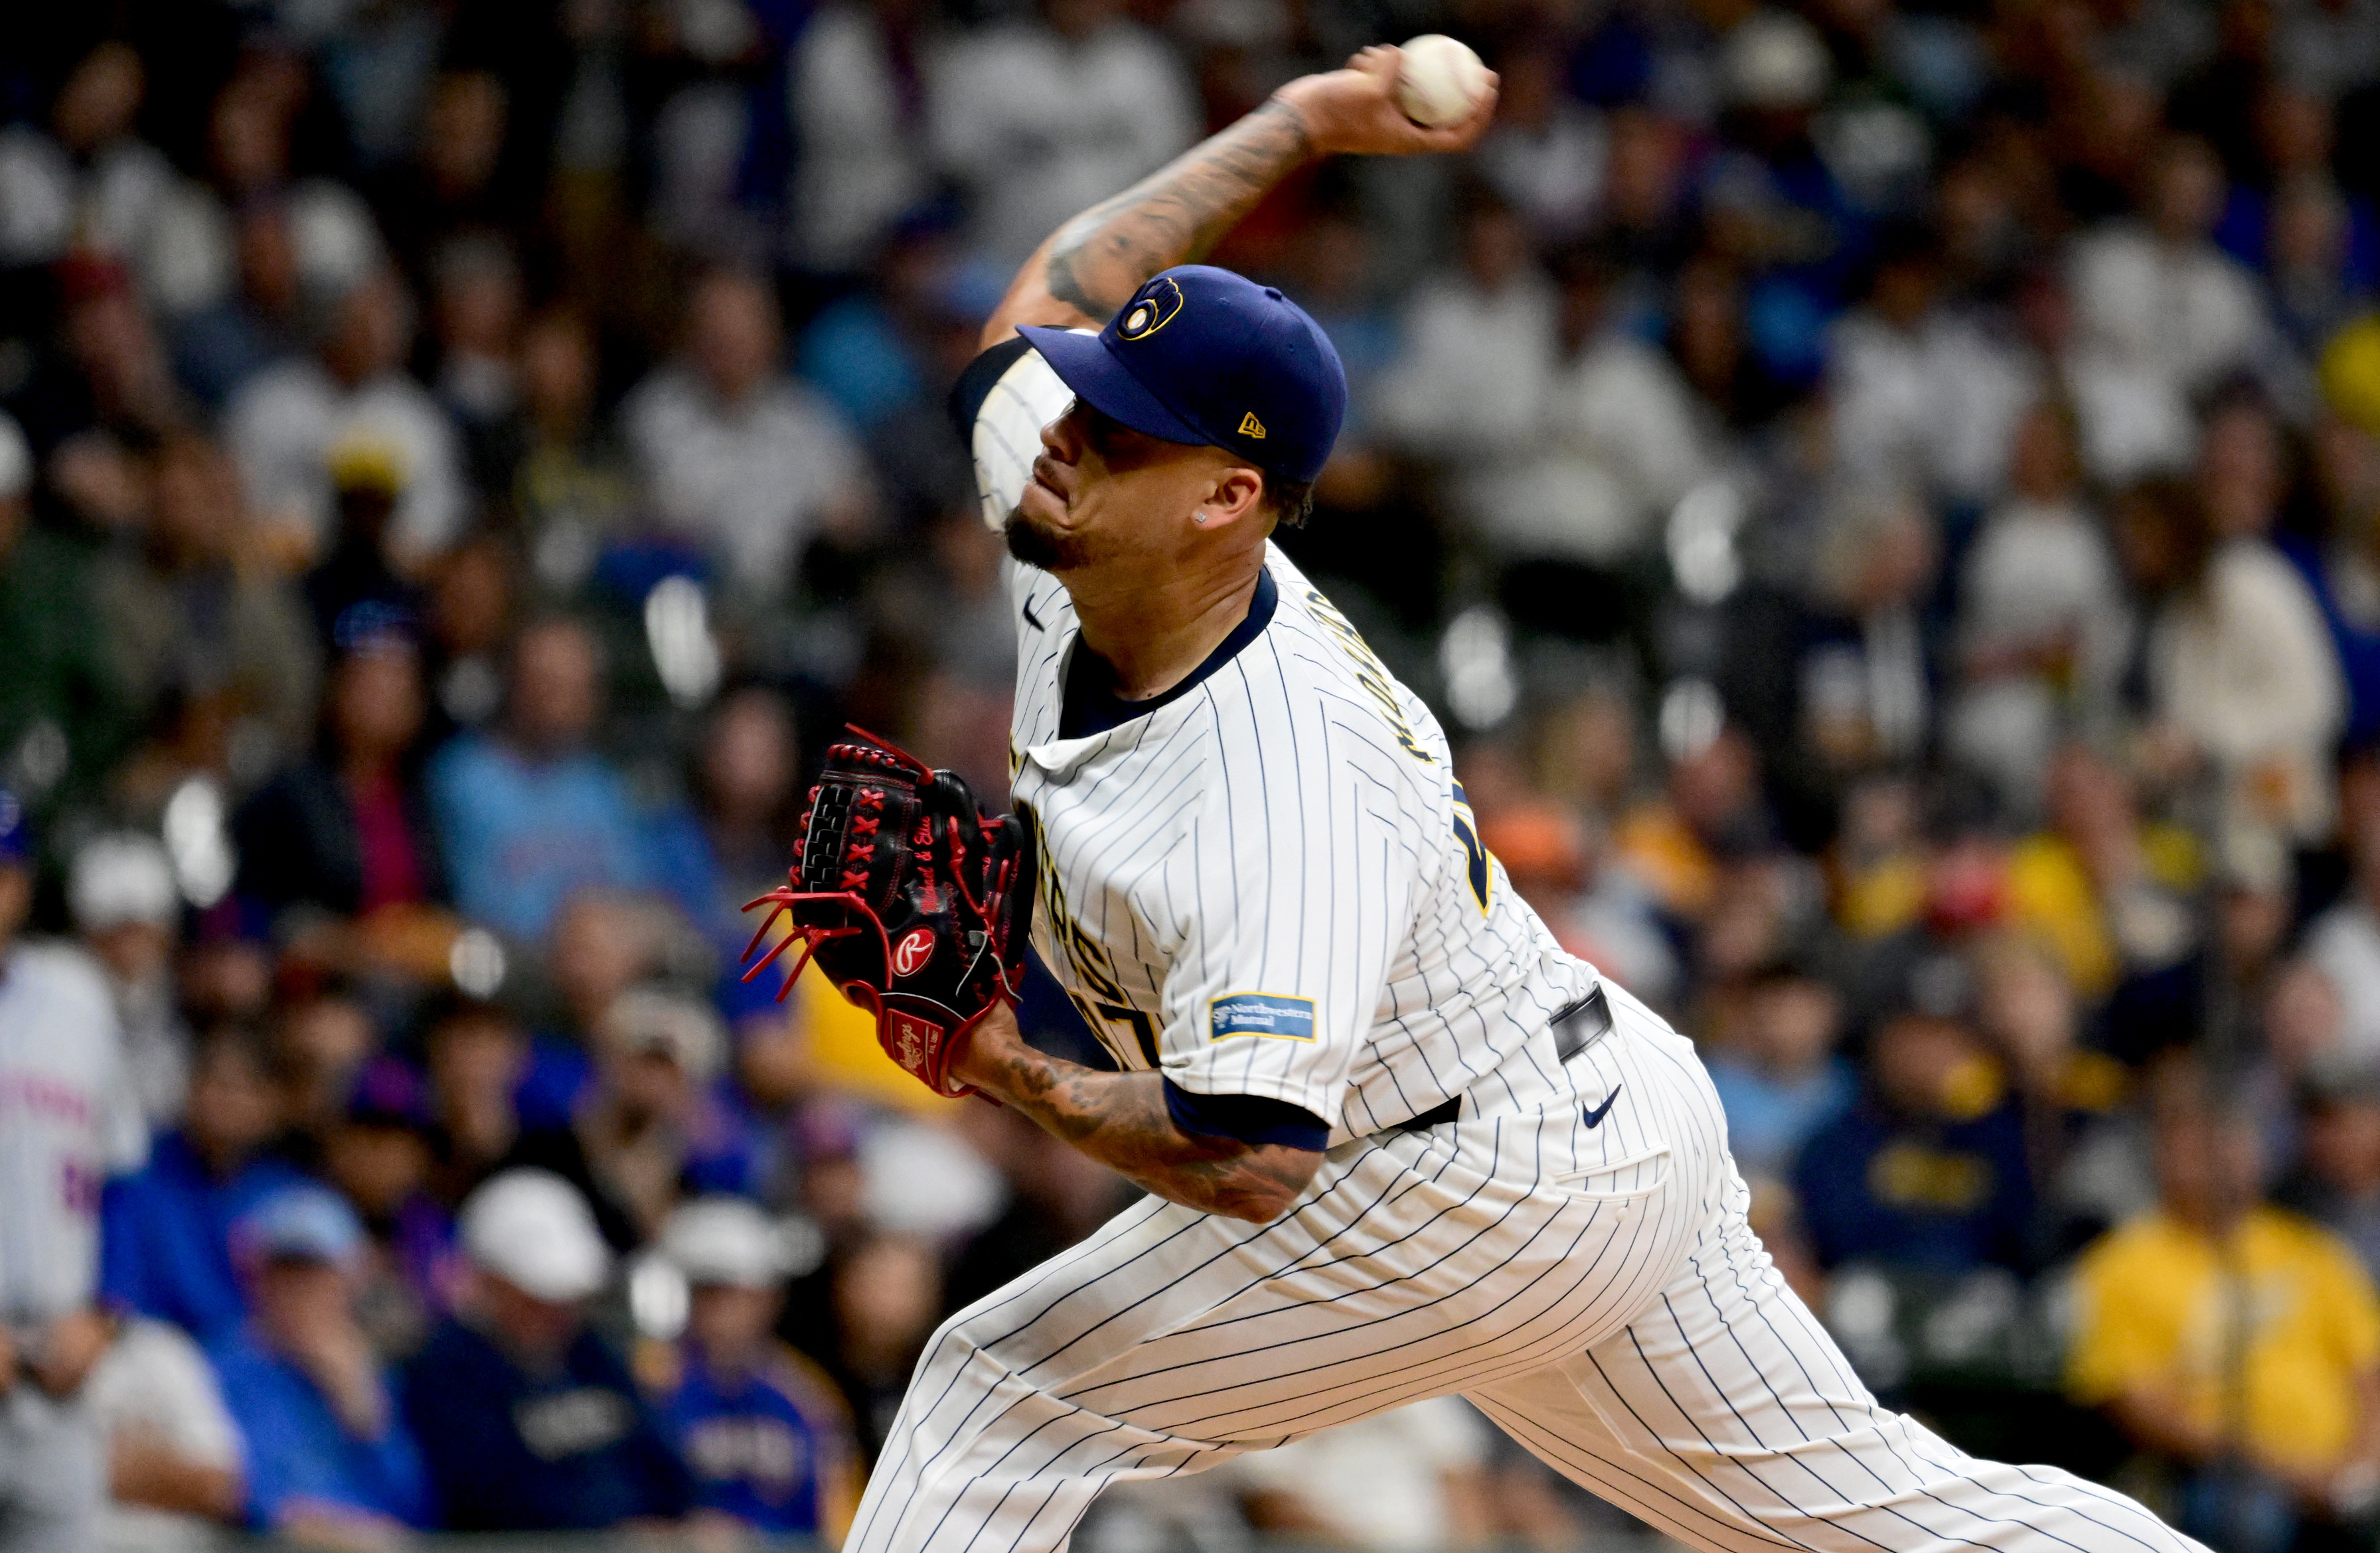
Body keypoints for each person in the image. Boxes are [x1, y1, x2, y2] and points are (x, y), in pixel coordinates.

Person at [850, 44, 2209, 1553]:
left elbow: (1249, 1158)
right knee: (1866, 1517)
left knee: (998, 1394)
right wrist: (1300, 125)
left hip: (1453, 1175)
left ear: (1228, 499)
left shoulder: (1283, 775)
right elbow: (1051, 290)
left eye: (1111, 424)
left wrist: (1005, 1070)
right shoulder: (1077, 516)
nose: (1057, 432)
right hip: (1583, 1107)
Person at [2069, 1065, 2380, 1552]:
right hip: (2216, 1477)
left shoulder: (2311, 1251)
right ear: (2164, 1156)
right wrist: (2282, 1470)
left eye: (2231, 1139)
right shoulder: (2123, 1263)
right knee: (2245, 1519)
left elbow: (2369, 1375)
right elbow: (2135, 1404)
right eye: (2196, 1144)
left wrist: (2359, 1467)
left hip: (2340, 1472)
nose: (2218, 1158)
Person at [0, 789, 149, 1553]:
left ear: (22, 885)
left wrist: (107, 1310)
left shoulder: (77, 999)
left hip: (58, 1370)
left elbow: (122, 1177)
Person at [400, 1169, 694, 1530]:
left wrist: (693, 1517)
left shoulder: (591, 1353)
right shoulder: (448, 1374)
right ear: (490, 1284)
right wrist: (611, 1536)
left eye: (568, 1295)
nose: (558, 1312)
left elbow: (661, 1456)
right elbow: (488, 1497)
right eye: (537, 1296)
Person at [208, 1185, 430, 1543]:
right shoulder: (222, 1368)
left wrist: (365, 1417)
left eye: (317, 1274)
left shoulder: (371, 1372)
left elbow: (418, 1509)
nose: (300, 1291)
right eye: (284, 1273)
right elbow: (240, 1491)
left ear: (350, 1280)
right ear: (257, 1278)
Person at [653, 1198, 862, 1542]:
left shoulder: (806, 1392)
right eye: (709, 1292)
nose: (722, 1309)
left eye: (735, 1294)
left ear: (770, 1298)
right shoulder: (651, 1378)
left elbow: (842, 1518)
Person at [100, 1024, 306, 1345]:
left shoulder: (287, 1195)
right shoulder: (138, 1172)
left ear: (273, 1104)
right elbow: (119, 1299)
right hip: (153, 1352)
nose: (228, 1102)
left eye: (246, 1089)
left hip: (255, 1363)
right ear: (191, 1089)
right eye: (218, 1084)